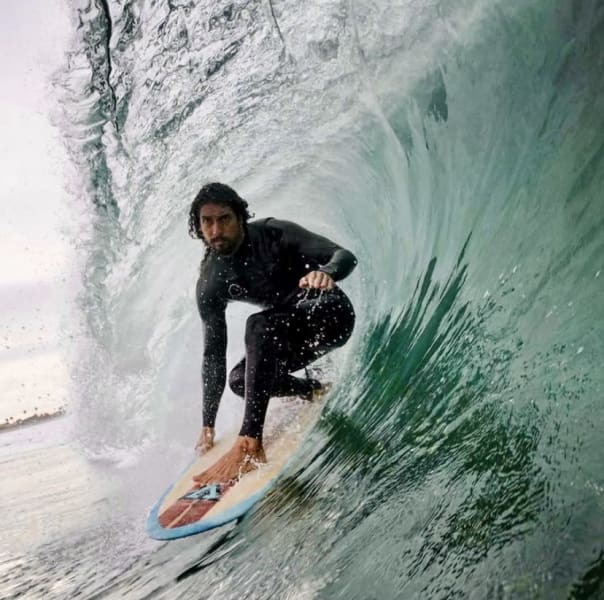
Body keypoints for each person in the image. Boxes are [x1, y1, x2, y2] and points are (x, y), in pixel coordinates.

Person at [188, 182, 357, 486]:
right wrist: (207, 424)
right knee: (240, 380)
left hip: (330, 316)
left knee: (257, 325)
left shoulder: (274, 233)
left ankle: (250, 444)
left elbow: (344, 256)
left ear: (240, 216)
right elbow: (213, 354)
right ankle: (312, 389)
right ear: (198, 226)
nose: (215, 230)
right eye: (207, 221)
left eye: (224, 219)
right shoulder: (211, 280)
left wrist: (326, 273)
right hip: (287, 335)